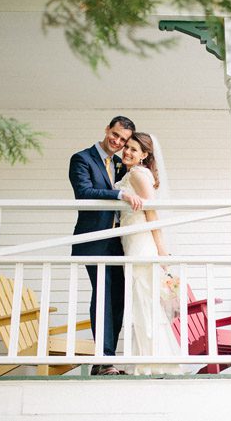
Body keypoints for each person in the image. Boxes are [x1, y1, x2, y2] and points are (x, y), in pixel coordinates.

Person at [69, 115, 143, 376]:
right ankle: (103, 359)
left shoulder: (122, 165)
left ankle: (106, 358)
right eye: (115, 135)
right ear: (107, 129)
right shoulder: (82, 159)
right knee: (103, 293)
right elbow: (85, 192)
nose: (118, 142)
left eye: (123, 140)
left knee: (118, 298)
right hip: (94, 239)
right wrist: (119, 194)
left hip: (118, 242)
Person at [114, 132, 183, 375]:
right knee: (141, 301)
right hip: (131, 241)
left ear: (145, 155)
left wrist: (161, 250)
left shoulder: (136, 173)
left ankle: (152, 362)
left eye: (134, 149)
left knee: (144, 301)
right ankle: (149, 359)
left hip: (141, 243)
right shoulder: (132, 174)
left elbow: (151, 213)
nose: (128, 152)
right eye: (127, 148)